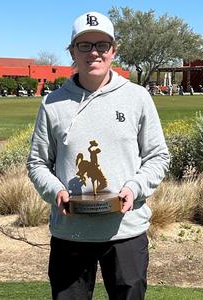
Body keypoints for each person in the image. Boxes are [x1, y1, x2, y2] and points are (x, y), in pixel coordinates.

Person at [27, 11, 170, 300]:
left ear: (113, 51)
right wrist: (55, 190)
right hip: (71, 234)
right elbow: (38, 162)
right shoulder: (52, 103)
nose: (94, 52)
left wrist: (134, 188)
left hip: (125, 231)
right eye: (84, 45)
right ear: (72, 52)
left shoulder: (137, 97)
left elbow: (158, 156)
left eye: (102, 45)